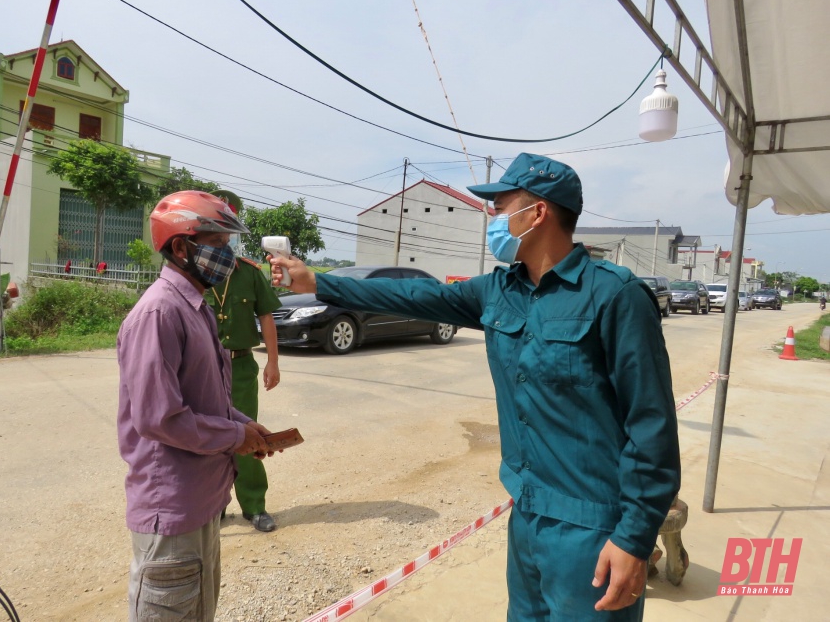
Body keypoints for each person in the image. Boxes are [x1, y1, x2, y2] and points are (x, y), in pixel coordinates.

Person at [269, 153, 681, 621]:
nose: (493, 217)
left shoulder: (614, 295)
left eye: (501, 206)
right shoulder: (499, 291)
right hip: (526, 513)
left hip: (592, 525)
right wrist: (318, 282)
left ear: (538, 212)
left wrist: (634, 536)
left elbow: (651, 427)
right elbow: (416, 296)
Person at [117, 190, 276, 621]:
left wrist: (247, 427)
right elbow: (160, 417)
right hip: (172, 506)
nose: (227, 256)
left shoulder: (196, 307)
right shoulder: (159, 313)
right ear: (182, 247)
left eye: (229, 245)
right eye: (217, 244)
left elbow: (209, 397)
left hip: (202, 499)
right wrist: (235, 436)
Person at [209, 190, 283, 533]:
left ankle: (254, 506)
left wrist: (273, 362)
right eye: (216, 232)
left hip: (240, 366)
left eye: (229, 232)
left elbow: (266, 317)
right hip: (203, 367)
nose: (224, 239)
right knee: (206, 438)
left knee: (247, 434)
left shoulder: (249, 273)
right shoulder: (196, 274)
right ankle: (213, 506)